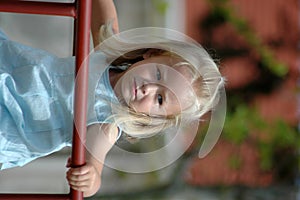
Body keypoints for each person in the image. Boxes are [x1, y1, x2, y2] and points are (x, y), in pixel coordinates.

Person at [0, 0, 224, 197]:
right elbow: (104, 18)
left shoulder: (106, 123)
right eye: (157, 74)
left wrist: (91, 178)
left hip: (11, 126)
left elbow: (95, 167)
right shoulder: (108, 56)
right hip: (11, 69)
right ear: (151, 55)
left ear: (154, 118)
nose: (148, 88)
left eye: (160, 99)